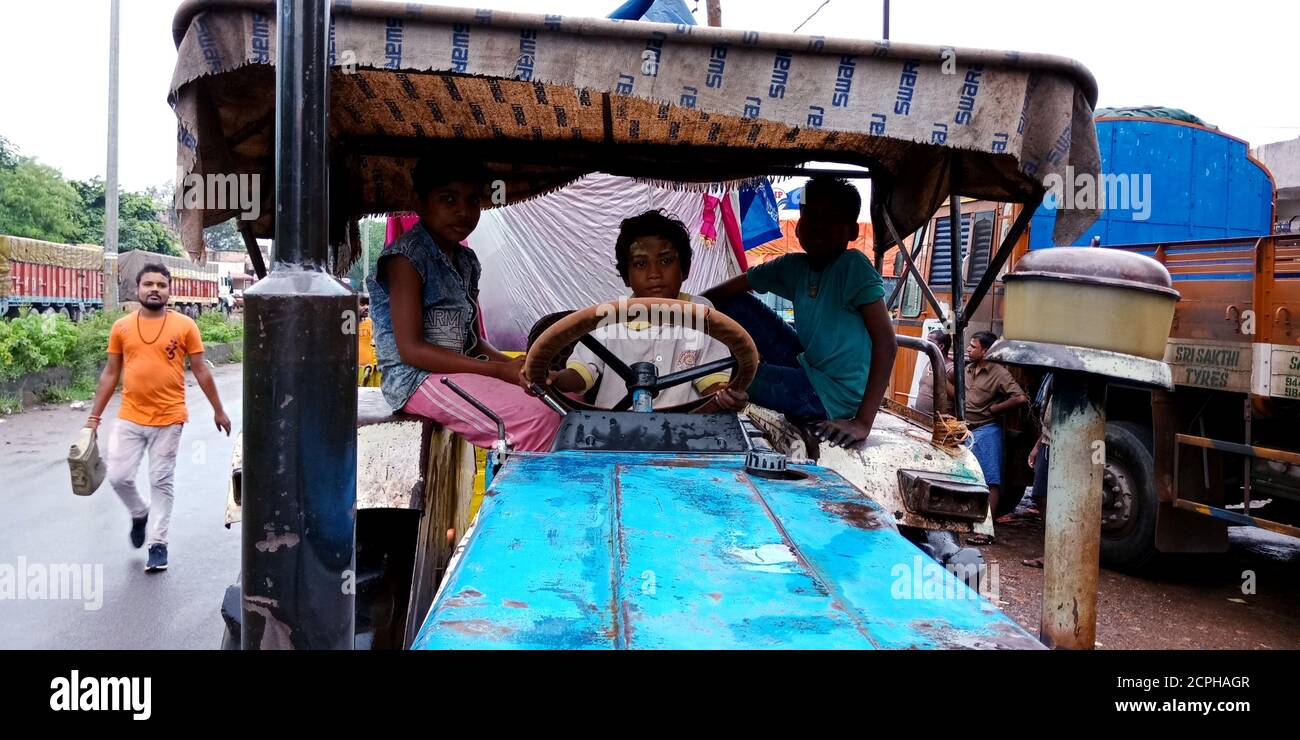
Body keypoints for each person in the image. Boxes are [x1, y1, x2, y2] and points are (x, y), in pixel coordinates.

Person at [366, 155, 561, 451]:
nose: (463, 212)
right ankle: (537, 497)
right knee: (538, 419)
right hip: (416, 380)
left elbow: (472, 340)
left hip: (455, 374)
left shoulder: (466, 260)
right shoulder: (406, 259)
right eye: (448, 199)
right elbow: (411, 351)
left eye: (472, 201)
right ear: (419, 203)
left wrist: (517, 366)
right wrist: (498, 372)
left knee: (562, 401)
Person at [703, 175, 897, 446]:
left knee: (734, 379)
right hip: (807, 364)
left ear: (852, 231)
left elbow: (887, 343)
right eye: (811, 217)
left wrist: (863, 422)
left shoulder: (853, 267)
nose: (818, 228)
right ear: (799, 225)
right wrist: (685, 309)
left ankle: (714, 393)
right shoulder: (795, 267)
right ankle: (708, 369)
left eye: (830, 220)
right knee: (733, 303)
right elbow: (727, 290)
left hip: (831, 394)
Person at [84, 263, 232, 572]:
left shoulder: (185, 325)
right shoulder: (122, 327)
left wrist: (218, 409)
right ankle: (139, 513)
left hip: (169, 417)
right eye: (148, 284)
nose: (154, 289)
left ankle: (158, 544)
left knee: (160, 481)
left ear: (169, 290)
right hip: (130, 417)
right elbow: (110, 374)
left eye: (161, 285)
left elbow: (201, 370)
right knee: (118, 477)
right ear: (136, 289)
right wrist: (93, 419)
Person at [543, 210, 736, 408]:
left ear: (685, 269)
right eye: (641, 264)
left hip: (683, 430)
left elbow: (712, 382)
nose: (654, 273)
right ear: (626, 277)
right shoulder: (611, 316)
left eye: (666, 261)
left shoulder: (701, 312)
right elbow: (581, 373)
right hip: (613, 428)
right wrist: (555, 378)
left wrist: (726, 396)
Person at [947, 330, 1029, 543]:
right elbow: (954, 386)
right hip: (966, 430)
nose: (968, 349)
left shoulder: (999, 373)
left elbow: (1020, 397)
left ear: (986, 350)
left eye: (973, 346)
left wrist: (996, 409)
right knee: (964, 478)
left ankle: (986, 531)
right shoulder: (968, 369)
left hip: (986, 430)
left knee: (990, 480)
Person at [912, 329, 952, 417]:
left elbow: (956, 397)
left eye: (930, 342)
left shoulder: (951, 369)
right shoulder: (929, 363)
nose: (925, 345)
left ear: (941, 346)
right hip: (919, 417)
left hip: (935, 421)